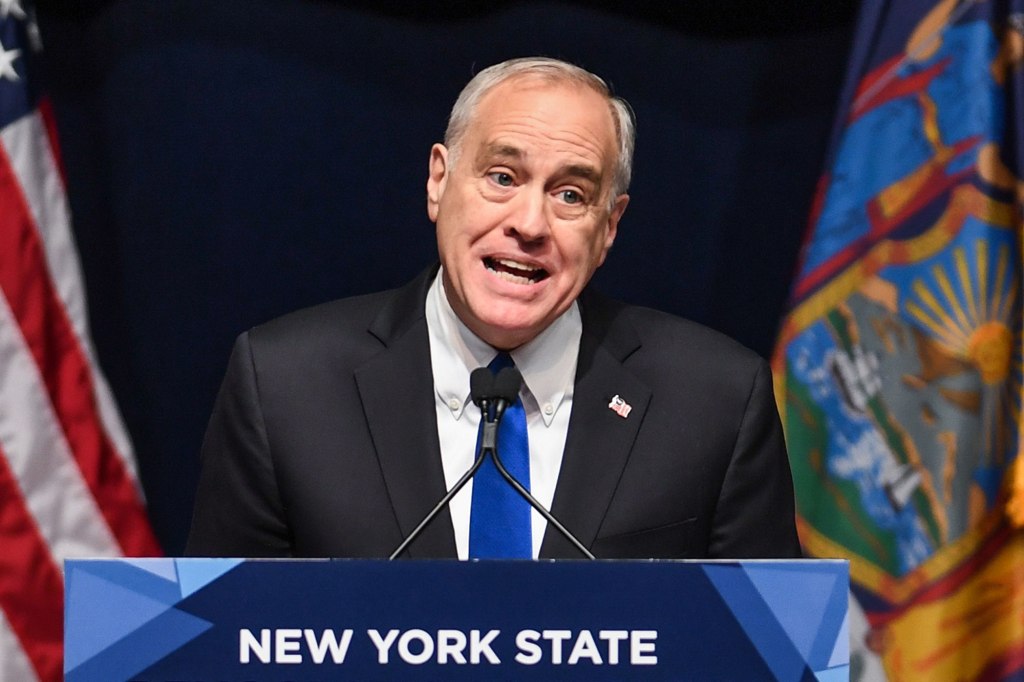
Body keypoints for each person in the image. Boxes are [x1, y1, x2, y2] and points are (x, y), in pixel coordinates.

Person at [186, 57, 801, 560]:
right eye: (502, 178)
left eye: (570, 195)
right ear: (438, 181)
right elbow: (216, 643)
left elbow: (772, 649)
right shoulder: (284, 385)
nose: (529, 225)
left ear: (609, 227)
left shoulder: (715, 398)